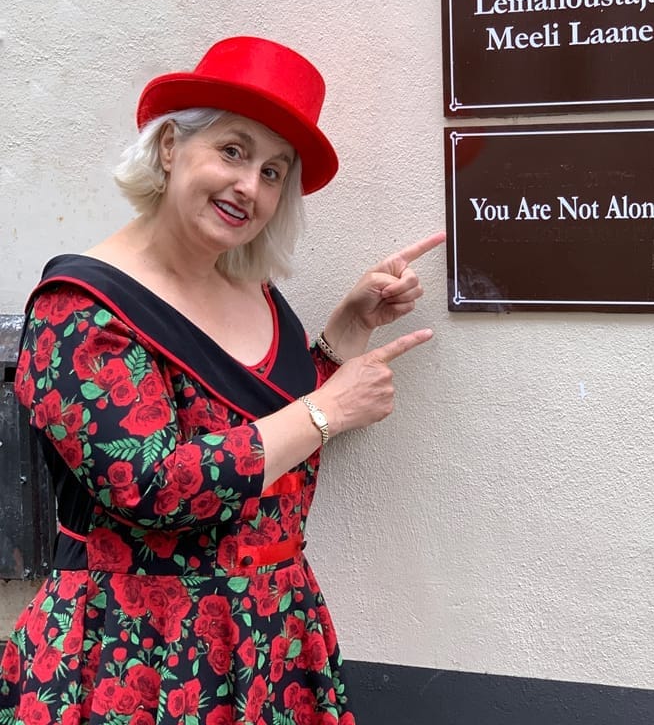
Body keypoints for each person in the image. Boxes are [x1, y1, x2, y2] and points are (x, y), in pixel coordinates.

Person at [0, 36, 444, 725]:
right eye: (233, 151)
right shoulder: (81, 308)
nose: (250, 185)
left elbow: (259, 436)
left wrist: (341, 335)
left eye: (274, 171)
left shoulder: (250, 287)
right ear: (172, 145)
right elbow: (151, 488)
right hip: (142, 653)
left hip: (272, 636)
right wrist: (330, 409)